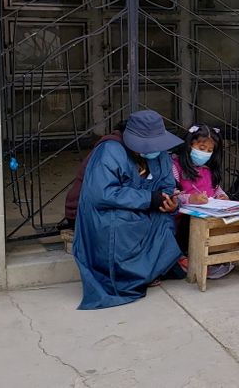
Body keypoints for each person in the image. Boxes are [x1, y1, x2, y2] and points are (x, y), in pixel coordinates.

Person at [72, 110, 186, 310]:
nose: (152, 149)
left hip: (144, 208)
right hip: (106, 211)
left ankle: (150, 271)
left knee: (164, 219)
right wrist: (148, 198)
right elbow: (102, 194)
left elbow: (167, 184)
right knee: (122, 223)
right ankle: (127, 277)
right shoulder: (110, 150)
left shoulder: (160, 154)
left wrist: (169, 201)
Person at [171, 123, 239, 277]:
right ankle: (186, 257)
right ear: (189, 144)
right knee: (190, 223)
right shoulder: (175, 166)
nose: (205, 153)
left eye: (209, 150)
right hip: (185, 218)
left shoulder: (208, 169)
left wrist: (222, 196)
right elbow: (172, 193)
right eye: (201, 148)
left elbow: (216, 188)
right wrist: (190, 198)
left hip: (211, 211)